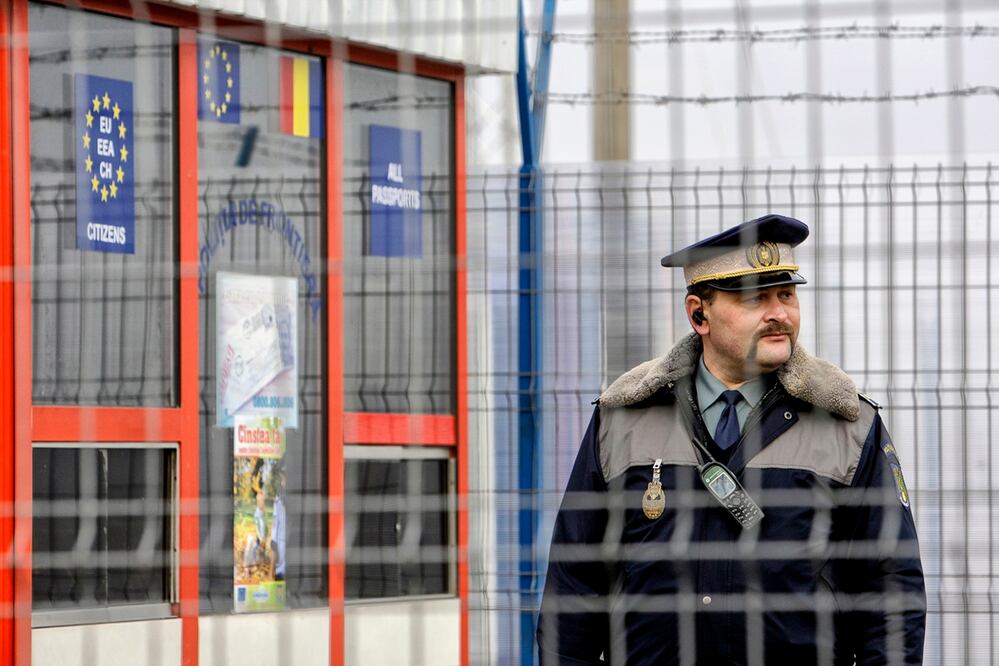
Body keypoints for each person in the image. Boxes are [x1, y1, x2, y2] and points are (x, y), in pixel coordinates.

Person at [536, 214, 926, 665]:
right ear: (698, 313)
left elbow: (891, 587)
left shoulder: (848, 424)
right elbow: (574, 586)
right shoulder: (622, 418)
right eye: (756, 298)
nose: (779, 313)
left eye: (786, 294)